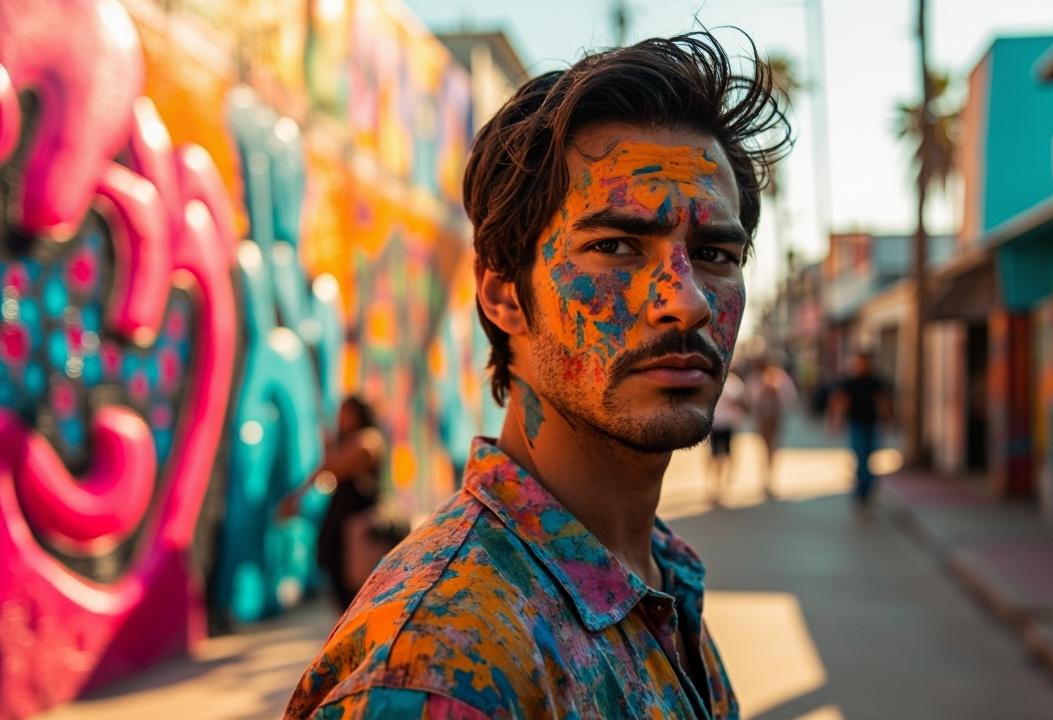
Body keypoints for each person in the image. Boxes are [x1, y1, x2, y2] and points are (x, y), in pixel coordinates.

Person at [285, 31, 789, 719]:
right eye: (615, 246)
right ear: (502, 296)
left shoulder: (658, 576)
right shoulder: (443, 666)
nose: (688, 300)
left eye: (713, 253)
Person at [278, 394, 388, 611]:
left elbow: (338, 465)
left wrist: (326, 444)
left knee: (357, 582)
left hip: (360, 523)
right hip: (340, 521)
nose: (341, 418)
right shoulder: (345, 442)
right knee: (337, 576)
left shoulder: (368, 439)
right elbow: (322, 471)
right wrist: (298, 496)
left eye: (346, 412)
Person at [828, 351, 893, 506]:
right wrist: (836, 421)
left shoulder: (875, 382)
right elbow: (840, 401)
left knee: (869, 455)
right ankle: (862, 488)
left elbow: (882, 402)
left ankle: (866, 486)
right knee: (860, 455)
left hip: (871, 424)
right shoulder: (850, 382)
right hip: (856, 424)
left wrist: (887, 420)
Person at [747, 353, 797, 498]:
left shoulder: (781, 378)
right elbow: (751, 400)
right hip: (762, 418)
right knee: (764, 447)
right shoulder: (756, 379)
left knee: (772, 447)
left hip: (775, 418)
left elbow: (789, 398)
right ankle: (765, 477)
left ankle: (770, 477)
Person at [707, 369, 746, 504]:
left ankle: (724, 479)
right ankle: (716, 481)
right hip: (715, 424)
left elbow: (741, 402)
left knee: (726, 453)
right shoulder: (711, 382)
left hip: (727, 423)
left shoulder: (734, 383)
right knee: (715, 454)